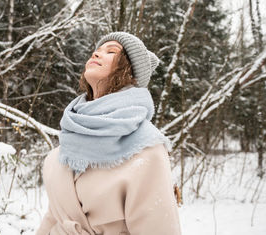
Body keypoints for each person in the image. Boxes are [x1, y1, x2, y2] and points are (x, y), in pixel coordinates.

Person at [36, 32, 182, 235]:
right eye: (96, 50)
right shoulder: (67, 145)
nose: (96, 53)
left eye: (111, 51)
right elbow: (54, 218)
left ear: (131, 73)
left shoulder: (146, 151)